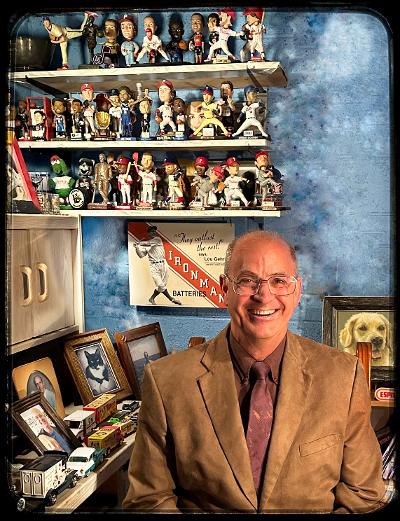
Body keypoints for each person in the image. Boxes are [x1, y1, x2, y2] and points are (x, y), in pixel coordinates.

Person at [123, 229, 386, 513]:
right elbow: (148, 500)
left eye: (279, 281)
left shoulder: (343, 377)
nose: (264, 296)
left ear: (296, 290)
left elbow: (364, 497)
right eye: (248, 281)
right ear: (224, 288)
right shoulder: (166, 381)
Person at [134, 225, 181, 306]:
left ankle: (151, 298)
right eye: (152, 231)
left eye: (154, 231)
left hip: (163, 264)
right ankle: (172, 299)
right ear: (148, 233)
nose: (154, 232)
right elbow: (141, 255)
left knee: (162, 286)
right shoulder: (147, 246)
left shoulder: (157, 239)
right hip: (154, 266)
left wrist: (139, 243)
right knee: (160, 285)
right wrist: (137, 247)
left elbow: (148, 243)